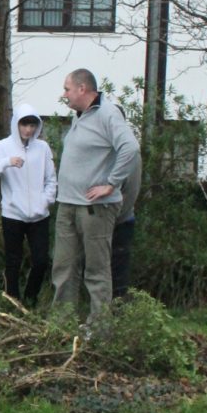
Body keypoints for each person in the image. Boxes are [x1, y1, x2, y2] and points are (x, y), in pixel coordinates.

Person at [50, 69, 140, 319]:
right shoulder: (79, 116)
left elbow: (130, 148)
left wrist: (111, 184)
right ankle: (62, 323)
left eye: (67, 89)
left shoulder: (107, 113)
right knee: (63, 267)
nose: (64, 94)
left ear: (82, 89)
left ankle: (99, 327)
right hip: (67, 203)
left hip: (95, 208)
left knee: (96, 270)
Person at [0, 103, 58, 305]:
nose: (28, 130)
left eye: (32, 125)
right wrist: (6, 162)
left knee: (41, 261)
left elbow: (51, 179)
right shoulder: (1, 147)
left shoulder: (42, 148)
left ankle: (30, 300)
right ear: (16, 124)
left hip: (39, 216)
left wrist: (45, 201)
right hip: (13, 214)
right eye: (24, 125)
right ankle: (12, 302)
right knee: (13, 262)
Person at [112, 141, 143, 299]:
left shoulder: (130, 152)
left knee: (119, 271)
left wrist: (114, 215)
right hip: (97, 220)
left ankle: (117, 308)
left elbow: (132, 190)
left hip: (122, 220)